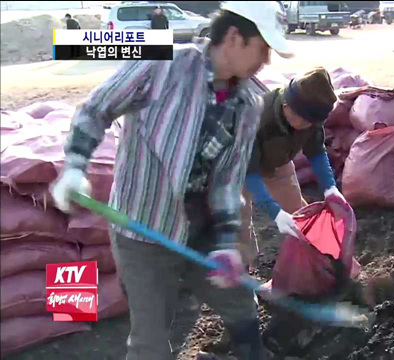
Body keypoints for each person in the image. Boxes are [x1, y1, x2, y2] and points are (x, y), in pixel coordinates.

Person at [50, 2, 293, 360]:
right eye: (263, 48)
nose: (266, 61)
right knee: (150, 341)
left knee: (241, 304)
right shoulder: (162, 66)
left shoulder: (246, 104)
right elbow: (96, 109)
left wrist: (227, 241)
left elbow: (227, 180)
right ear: (234, 37)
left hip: (200, 231)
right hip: (143, 230)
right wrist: (75, 164)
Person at [239, 67, 346, 267]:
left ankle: (325, 263)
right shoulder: (256, 117)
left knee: (301, 215)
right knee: (239, 223)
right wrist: (275, 213)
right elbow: (250, 173)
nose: (309, 126)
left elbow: (316, 152)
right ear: (288, 106)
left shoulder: (310, 119)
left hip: (278, 165)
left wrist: (330, 188)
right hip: (239, 170)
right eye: (306, 121)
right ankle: (243, 273)